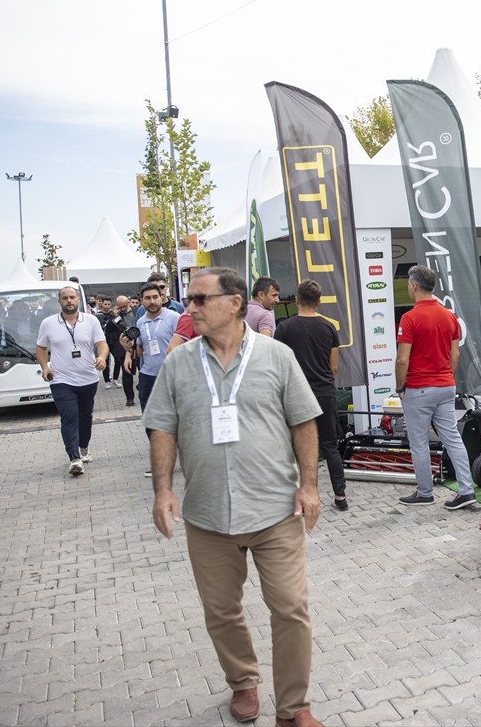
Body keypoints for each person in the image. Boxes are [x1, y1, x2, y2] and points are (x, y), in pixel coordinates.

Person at [143, 267, 324, 727]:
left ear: (234, 303)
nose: (191, 308)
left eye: (201, 299)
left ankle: (293, 707)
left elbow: (304, 421)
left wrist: (309, 485)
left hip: (274, 510)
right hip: (206, 515)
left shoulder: (277, 356)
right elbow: (162, 427)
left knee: (291, 609)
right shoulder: (179, 364)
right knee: (222, 611)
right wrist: (162, 490)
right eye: (190, 299)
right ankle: (243, 682)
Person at [394, 265, 476, 510]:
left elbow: (402, 359)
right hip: (445, 386)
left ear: (414, 286)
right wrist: (446, 377)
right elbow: (456, 355)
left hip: (418, 388)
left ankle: (425, 492)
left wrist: (400, 387)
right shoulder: (449, 315)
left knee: (418, 443)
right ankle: (467, 490)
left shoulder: (409, 318)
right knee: (452, 438)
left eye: (409, 283)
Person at [275, 279, 349, 511]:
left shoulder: (284, 328)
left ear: (296, 300)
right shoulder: (329, 327)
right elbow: (334, 367)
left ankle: (299, 495)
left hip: (295, 394)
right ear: (318, 302)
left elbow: (279, 365)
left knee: (296, 446)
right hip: (324, 392)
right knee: (329, 445)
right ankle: (340, 496)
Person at [36, 286, 108, 476]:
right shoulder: (48, 323)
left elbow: (102, 344)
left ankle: (83, 447)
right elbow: (41, 348)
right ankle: (74, 458)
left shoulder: (91, 321)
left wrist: (101, 357)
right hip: (61, 379)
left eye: (72, 297)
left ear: (78, 300)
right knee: (69, 417)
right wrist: (45, 367)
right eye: (65, 298)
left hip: (88, 377)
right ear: (59, 302)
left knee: (85, 416)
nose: (69, 301)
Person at [128, 282, 180, 413]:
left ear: (161, 298)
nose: (152, 301)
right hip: (147, 375)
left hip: (170, 375)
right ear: (141, 301)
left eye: (155, 297)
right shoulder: (140, 322)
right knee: (149, 419)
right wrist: (129, 348)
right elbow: (140, 352)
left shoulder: (174, 318)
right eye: (147, 298)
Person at [109, 295, 138, 406]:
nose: (123, 309)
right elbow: (109, 330)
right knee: (127, 373)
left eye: (124, 306)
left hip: (138, 344)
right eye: (120, 307)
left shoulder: (137, 312)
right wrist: (114, 316)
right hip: (124, 346)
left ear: (129, 303)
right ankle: (129, 397)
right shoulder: (116, 317)